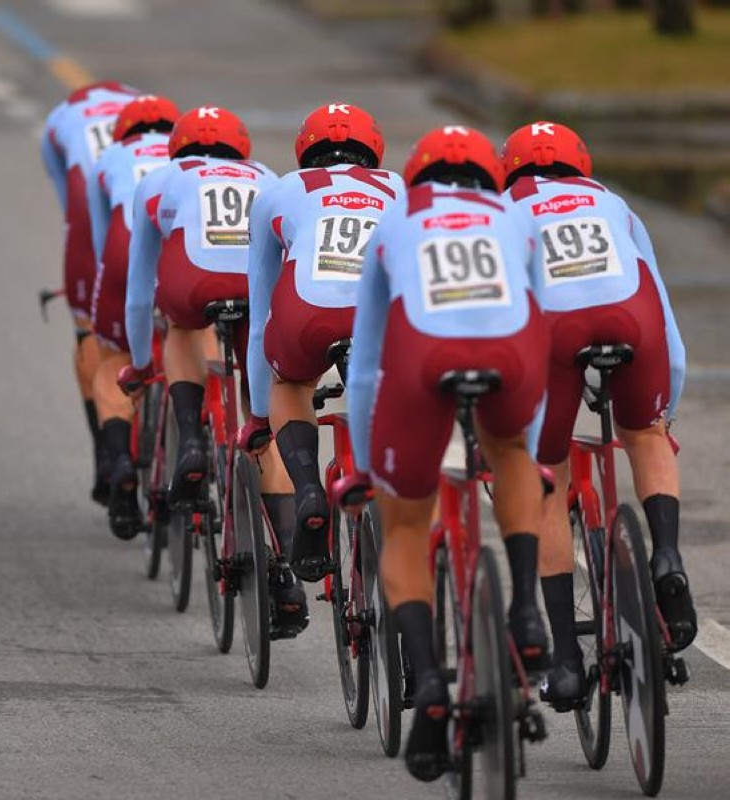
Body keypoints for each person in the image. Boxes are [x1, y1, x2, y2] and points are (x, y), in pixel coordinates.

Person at [346, 125, 549, 781]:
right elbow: (541, 328)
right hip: (511, 354)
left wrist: (363, 462)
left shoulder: (393, 219)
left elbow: (368, 365)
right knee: (513, 451)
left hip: (421, 355)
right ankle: (525, 610)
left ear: (415, 178)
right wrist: (529, 440)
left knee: (403, 522)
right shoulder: (513, 217)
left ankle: (430, 684)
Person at [501, 121, 695, 708]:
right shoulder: (614, 203)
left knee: (548, 473)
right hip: (635, 319)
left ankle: (564, 658)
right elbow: (660, 304)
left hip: (556, 330)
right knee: (643, 435)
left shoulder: (504, 209)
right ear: (580, 165)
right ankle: (666, 557)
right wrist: (662, 414)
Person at [118, 106, 306, 635]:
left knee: (179, 327)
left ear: (179, 146)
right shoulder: (267, 177)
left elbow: (138, 293)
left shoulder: (162, 178)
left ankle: (193, 442)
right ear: (240, 149)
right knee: (262, 426)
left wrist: (137, 364)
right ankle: (286, 573)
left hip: (193, 281)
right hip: (253, 293)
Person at [237, 102, 403, 583]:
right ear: (373, 149)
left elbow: (259, 314)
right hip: (380, 316)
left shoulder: (279, 191)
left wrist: (259, 419)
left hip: (306, 313)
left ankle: (308, 487)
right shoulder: (401, 189)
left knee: (289, 382)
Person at [41, 80, 140, 506]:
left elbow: (71, 203)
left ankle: (108, 459)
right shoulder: (150, 107)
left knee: (93, 334)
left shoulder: (62, 117)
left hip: (95, 217)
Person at [86, 94, 180, 538]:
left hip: (126, 252)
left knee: (111, 358)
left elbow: (100, 234)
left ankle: (121, 460)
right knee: (190, 333)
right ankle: (195, 431)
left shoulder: (111, 156)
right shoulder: (189, 160)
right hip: (188, 255)